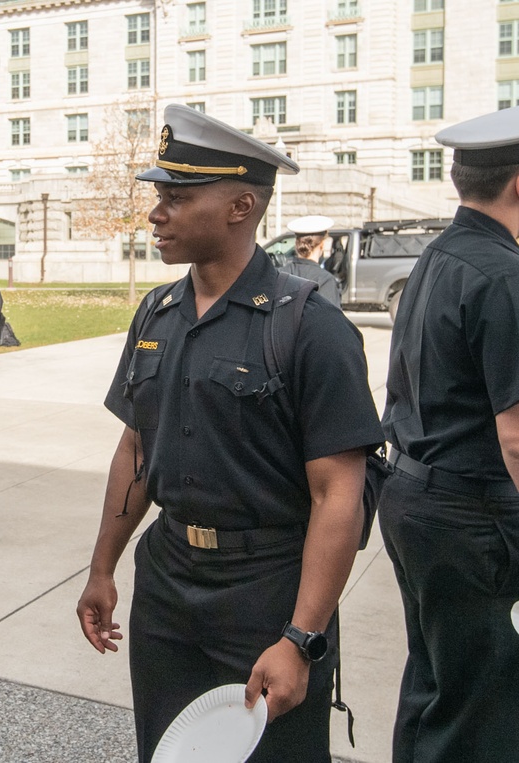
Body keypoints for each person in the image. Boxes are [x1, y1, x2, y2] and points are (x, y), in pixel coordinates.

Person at [75, 105, 383, 763]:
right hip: (168, 587)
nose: (157, 212)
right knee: (170, 751)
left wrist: (301, 637)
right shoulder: (156, 313)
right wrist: (102, 566)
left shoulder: (311, 328)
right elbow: (135, 449)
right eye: (159, 195)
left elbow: (339, 495)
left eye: (177, 197)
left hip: (266, 594)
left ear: (241, 205)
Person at [378, 106, 519, 762]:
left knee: (433, 682)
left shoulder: (438, 255)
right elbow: (516, 434)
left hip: (414, 500)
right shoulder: (506, 273)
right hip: (472, 512)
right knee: (480, 706)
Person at [279, 214, 343, 306]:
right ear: (322, 245)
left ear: (296, 244)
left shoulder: (280, 274)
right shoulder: (325, 280)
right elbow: (332, 318)